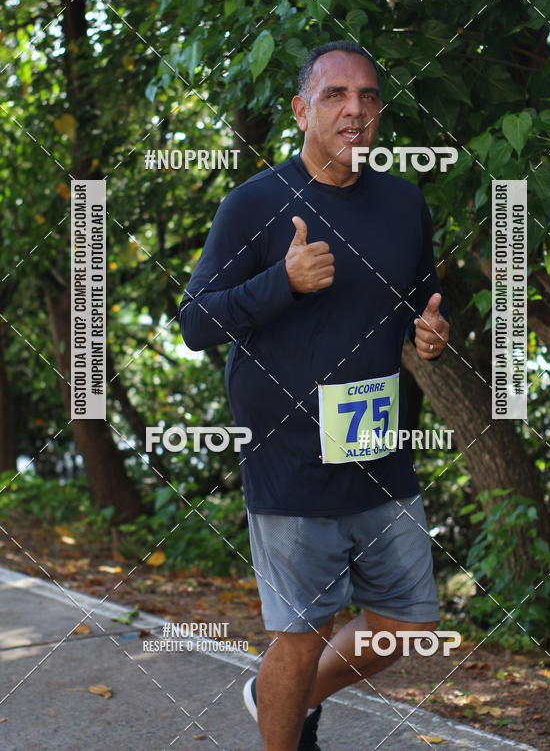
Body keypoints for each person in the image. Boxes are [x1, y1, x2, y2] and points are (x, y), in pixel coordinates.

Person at [178, 40, 450, 751]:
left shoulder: (402, 202)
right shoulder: (255, 204)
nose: (353, 109)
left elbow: (419, 300)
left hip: (374, 447)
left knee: (409, 628)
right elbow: (195, 323)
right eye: (335, 95)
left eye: (367, 96)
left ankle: (274, 696)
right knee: (299, 639)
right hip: (290, 459)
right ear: (302, 109)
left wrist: (429, 330)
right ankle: (283, 713)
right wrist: (283, 282)